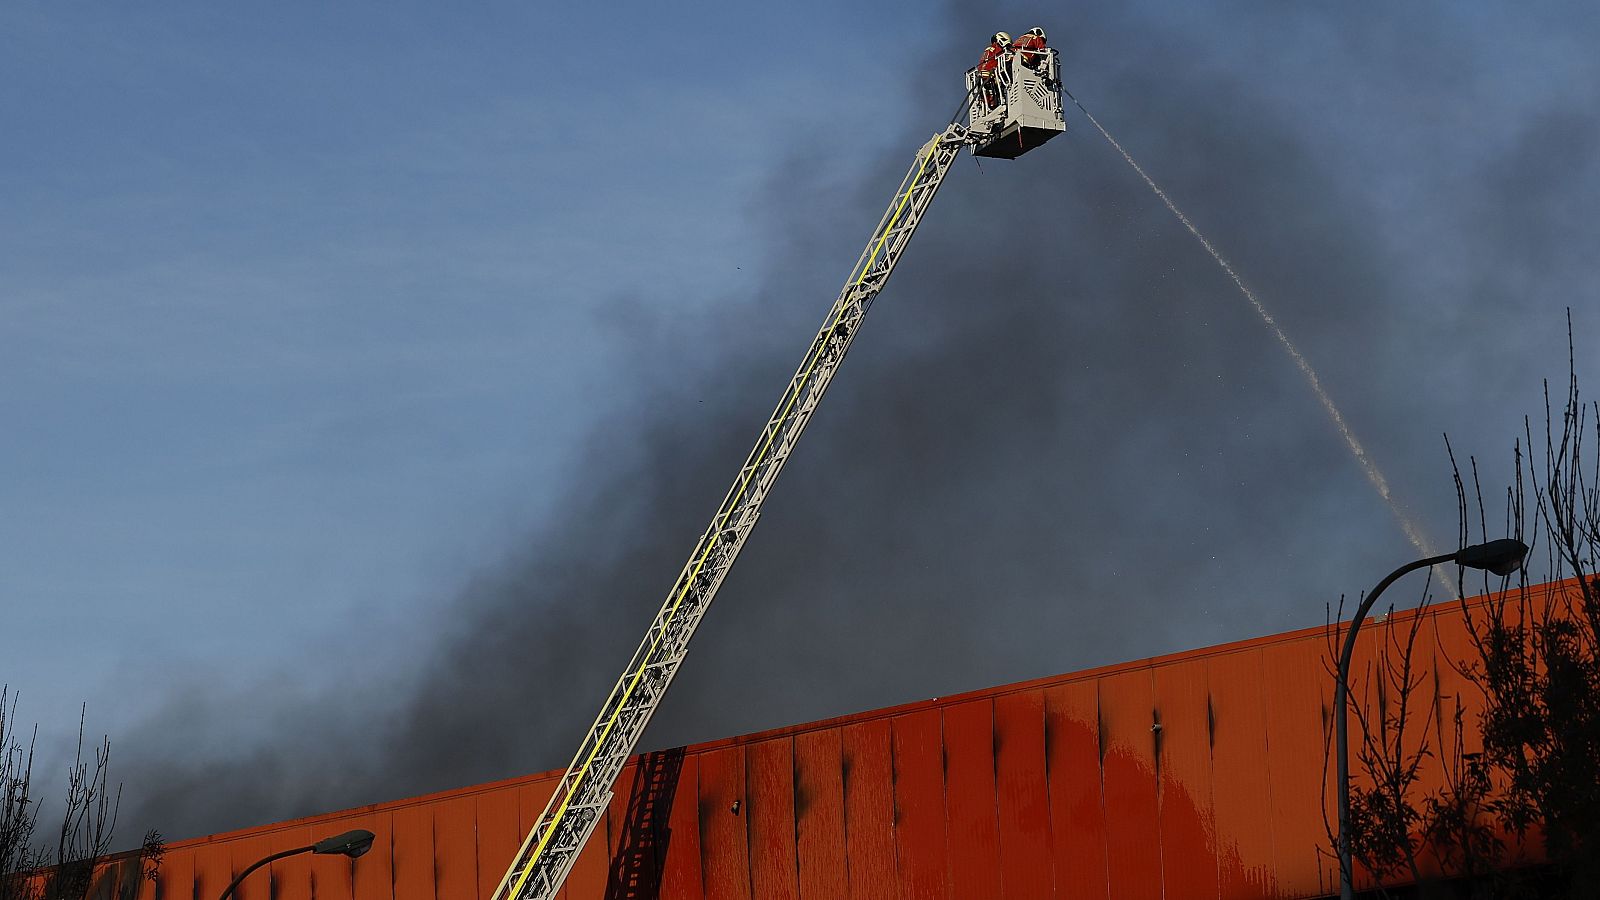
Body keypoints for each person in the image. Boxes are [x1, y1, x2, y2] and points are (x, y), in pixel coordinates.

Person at [977, 31, 1011, 110]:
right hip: (990, 76)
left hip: (981, 77)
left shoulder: (987, 50)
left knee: (988, 100)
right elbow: (1003, 58)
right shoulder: (997, 47)